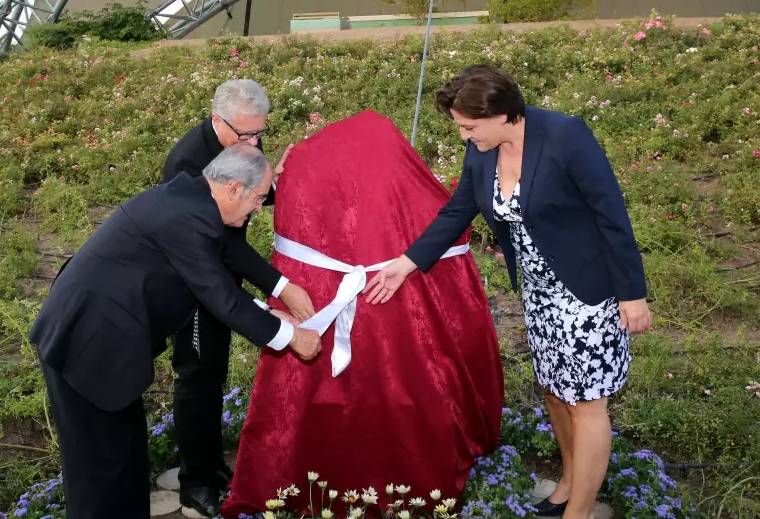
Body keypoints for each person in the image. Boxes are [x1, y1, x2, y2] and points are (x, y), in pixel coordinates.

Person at [367, 64, 652, 519]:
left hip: (588, 290)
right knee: (555, 391)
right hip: (539, 294)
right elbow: (459, 208)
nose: (463, 136)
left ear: (502, 114)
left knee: (587, 402)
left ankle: (579, 514)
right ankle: (569, 483)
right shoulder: (483, 150)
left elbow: (611, 214)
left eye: (468, 126)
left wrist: (632, 294)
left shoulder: (565, 136)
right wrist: (406, 263)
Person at [221, 110, 503, 516]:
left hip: (320, 293)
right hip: (387, 296)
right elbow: (448, 224)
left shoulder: (309, 192)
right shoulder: (409, 201)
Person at [30, 145, 322, 519]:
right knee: (99, 472)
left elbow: (216, 284)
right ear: (233, 188)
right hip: (86, 345)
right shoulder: (187, 216)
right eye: (259, 197)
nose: (257, 208)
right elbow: (221, 298)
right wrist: (292, 337)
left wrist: (278, 315)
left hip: (109, 346)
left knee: (127, 458)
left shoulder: (194, 201)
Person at [162, 80, 316, 517]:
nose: (252, 143)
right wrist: (279, 285)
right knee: (197, 377)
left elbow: (251, 199)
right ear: (216, 118)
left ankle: (211, 465)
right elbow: (224, 242)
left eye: (258, 134)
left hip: (221, 272)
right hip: (194, 279)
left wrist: (275, 182)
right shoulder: (188, 162)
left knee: (214, 372)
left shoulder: (243, 139)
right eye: (243, 135)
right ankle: (195, 481)